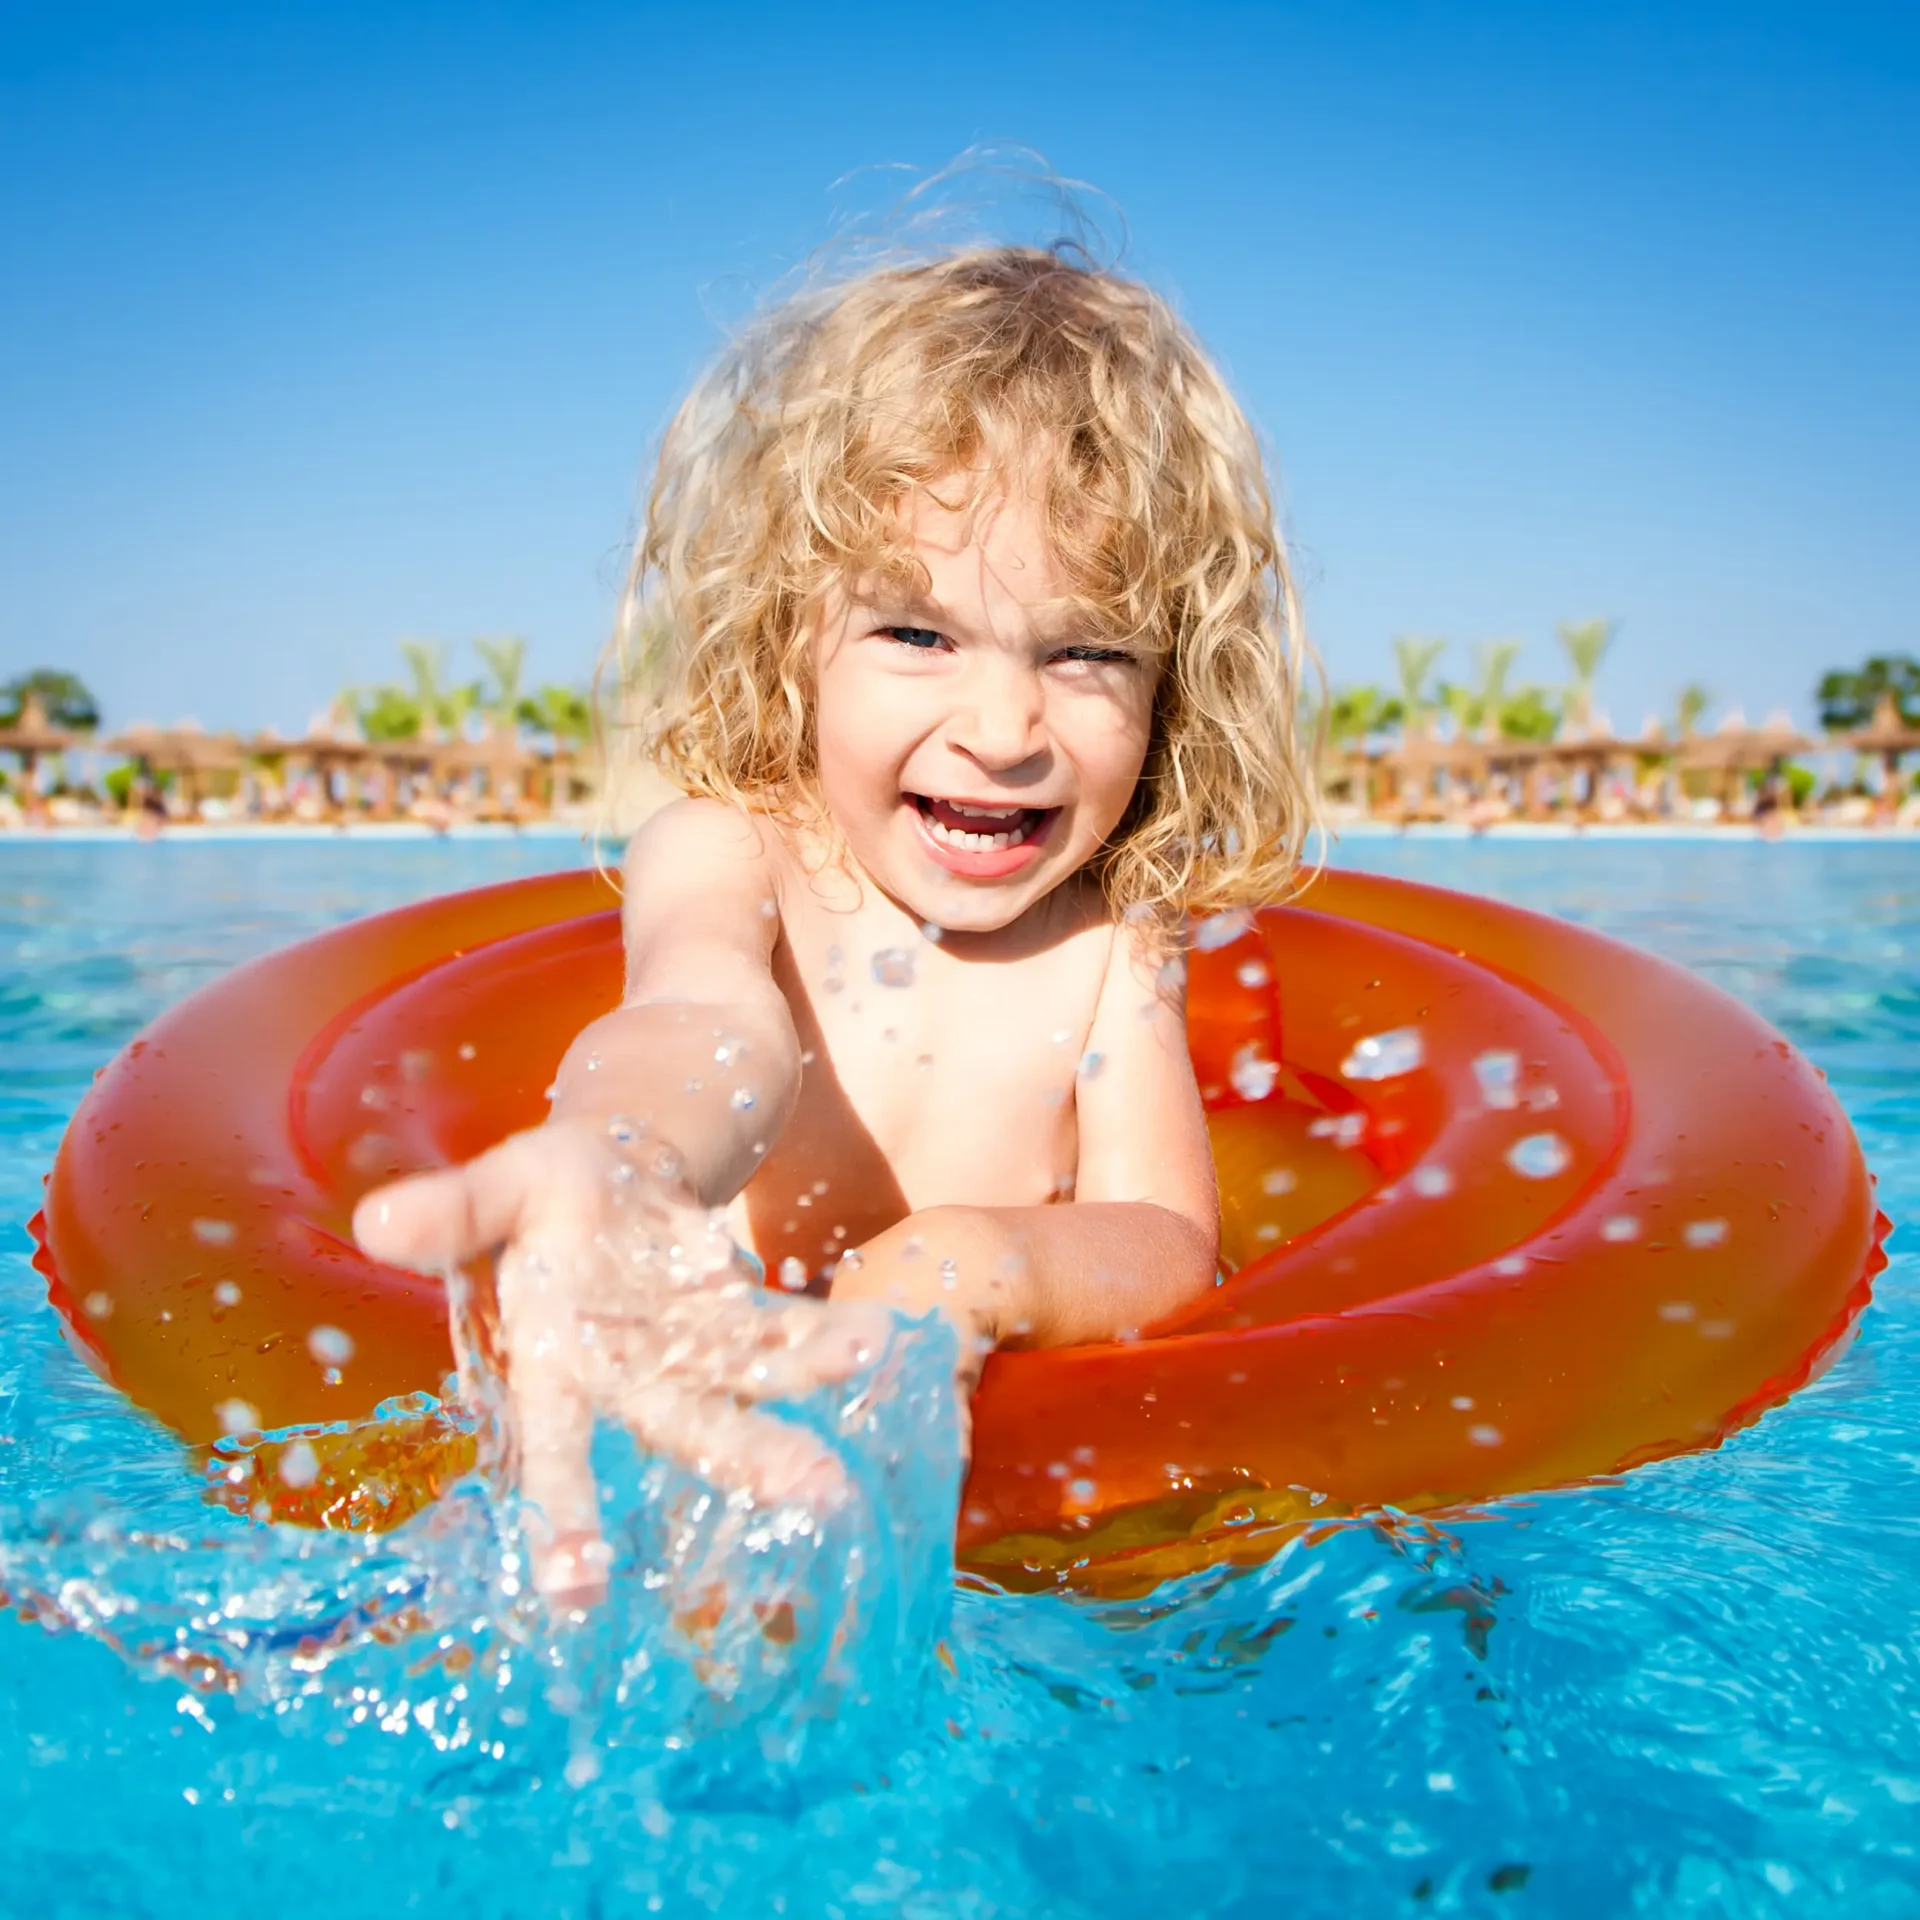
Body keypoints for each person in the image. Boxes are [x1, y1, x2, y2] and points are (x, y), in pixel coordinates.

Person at [353, 245, 1317, 1602]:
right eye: (918, 635)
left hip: (1018, 1524)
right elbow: (699, 1019)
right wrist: (626, 1155)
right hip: (703, 1466)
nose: (1002, 732)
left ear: (1173, 683)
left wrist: (980, 1262)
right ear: (789, 631)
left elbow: (1165, 1238)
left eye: (1085, 650)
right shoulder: (732, 852)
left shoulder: (1116, 944)